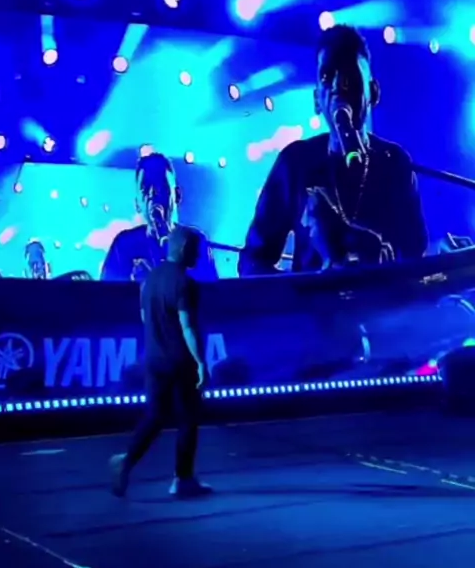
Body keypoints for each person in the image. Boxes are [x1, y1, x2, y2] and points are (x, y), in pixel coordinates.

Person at [239, 24, 428, 275]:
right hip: (313, 301)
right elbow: (252, 261)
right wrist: (304, 288)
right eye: (327, 77)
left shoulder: (394, 162)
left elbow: (414, 260)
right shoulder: (295, 162)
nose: (339, 86)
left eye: (350, 76)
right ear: (317, 100)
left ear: (373, 92)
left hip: (379, 300)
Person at [109, 224, 212, 498]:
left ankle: (126, 460)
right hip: (180, 361)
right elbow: (188, 327)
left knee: (155, 416)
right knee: (188, 418)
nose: (198, 256)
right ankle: (183, 479)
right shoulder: (185, 284)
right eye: (196, 250)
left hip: (154, 360)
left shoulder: (149, 280)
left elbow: (146, 318)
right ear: (184, 248)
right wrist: (201, 362)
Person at [101, 151, 217, 283]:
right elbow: (106, 292)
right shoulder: (124, 245)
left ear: (177, 195)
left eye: (161, 186)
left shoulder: (194, 241)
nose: (152, 194)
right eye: (145, 189)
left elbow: (210, 292)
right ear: (137, 204)